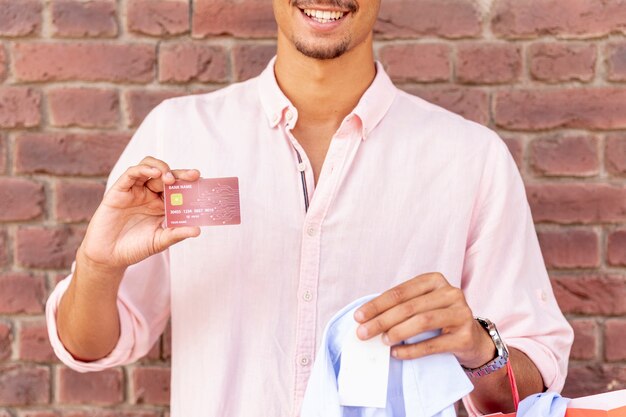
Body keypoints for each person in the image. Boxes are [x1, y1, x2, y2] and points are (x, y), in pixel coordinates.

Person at [46, 1, 574, 416]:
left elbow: (529, 388)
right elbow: (89, 348)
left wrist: (480, 350)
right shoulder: (180, 134)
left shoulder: (470, 158)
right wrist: (98, 266)